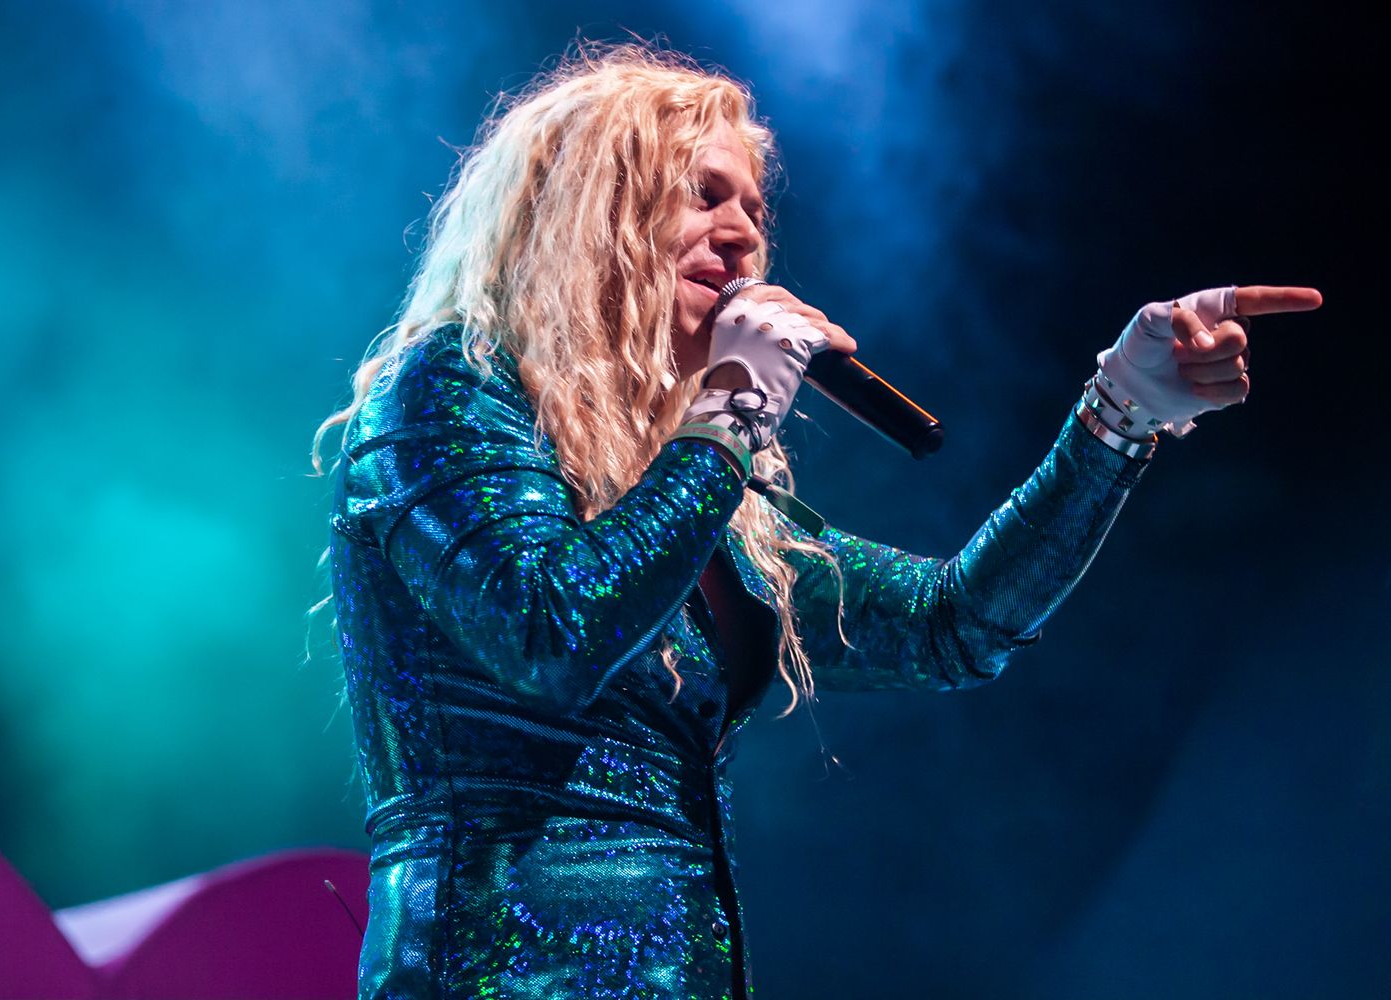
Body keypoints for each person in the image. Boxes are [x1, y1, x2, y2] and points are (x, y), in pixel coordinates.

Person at [311, 44, 1320, 999]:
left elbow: (949, 624)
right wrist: (733, 407)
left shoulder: (693, 485)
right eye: (702, 194)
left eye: (753, 210)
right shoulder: (446, 388)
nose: (744, 235)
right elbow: (553, 633)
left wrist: (1117, 414)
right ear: (592, 206)